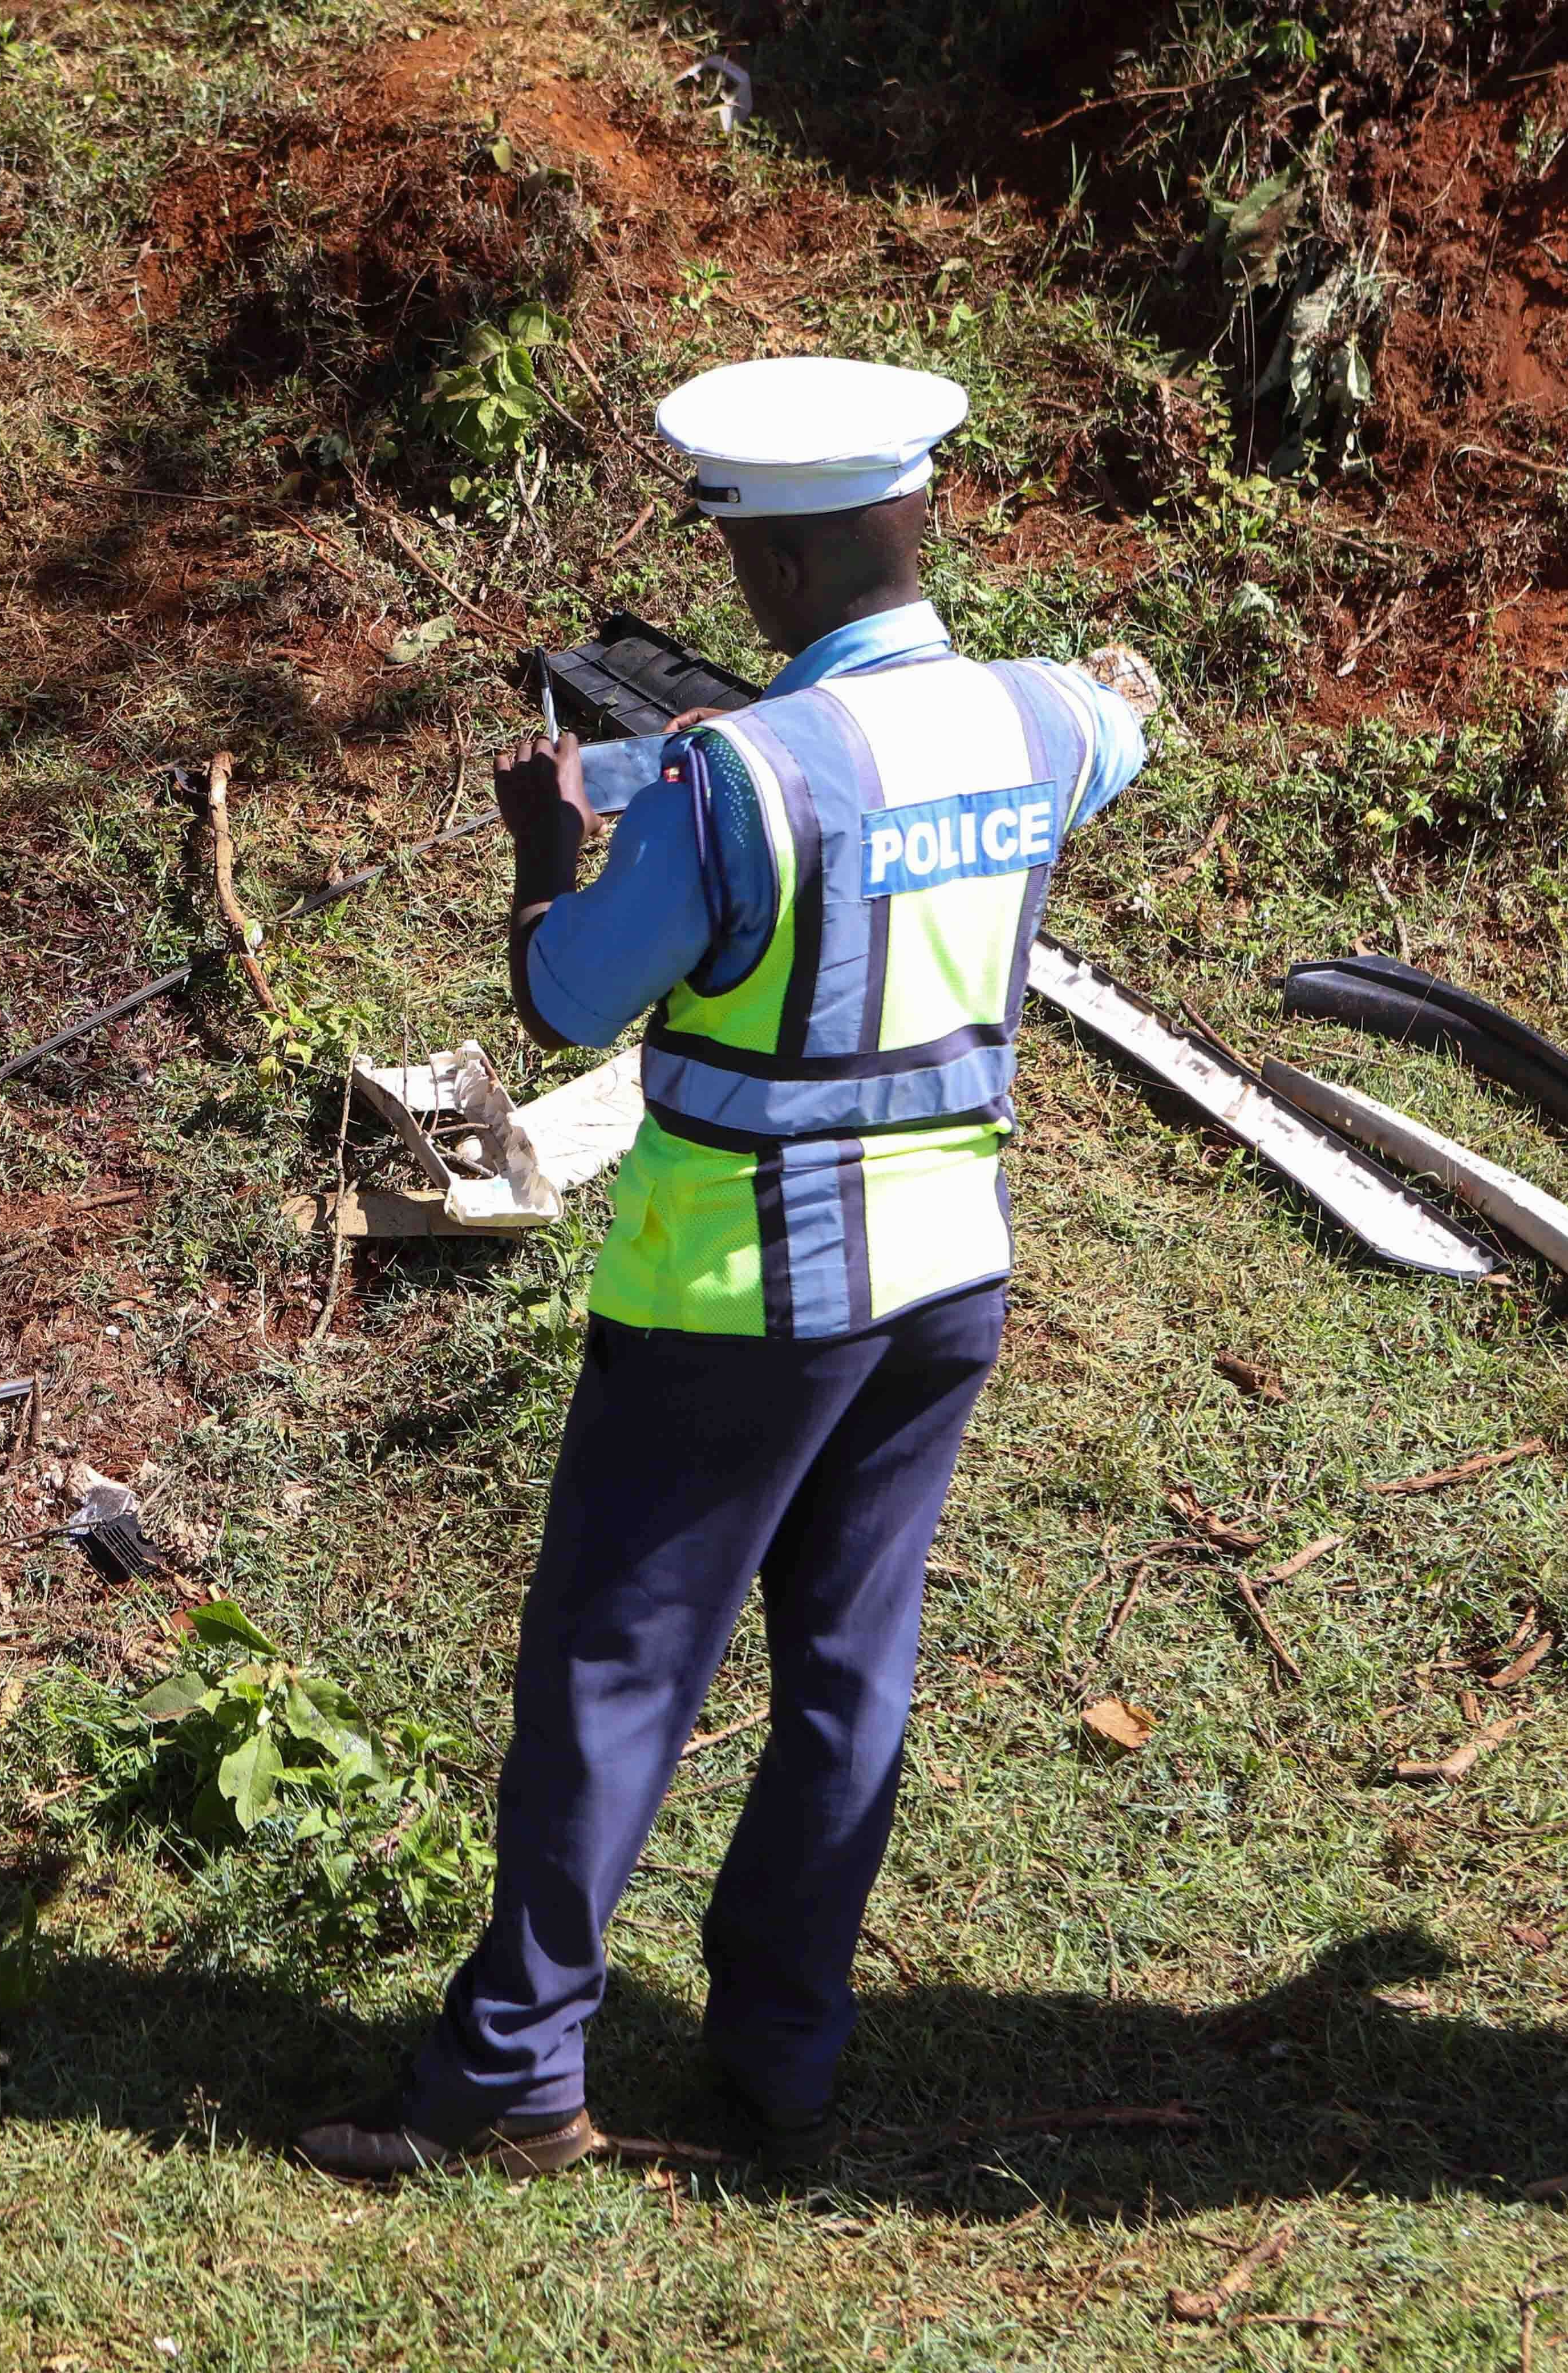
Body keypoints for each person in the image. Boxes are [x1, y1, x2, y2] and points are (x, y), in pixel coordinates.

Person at [296, 357, 1153, 2183]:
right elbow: (1115, 730)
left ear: (764, 570)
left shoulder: (734, 776)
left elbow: (565, 998)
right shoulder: (1042, 727)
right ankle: (782, 2051)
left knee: (616, 1670)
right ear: (916, 528)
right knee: (851, 1664)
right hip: (948, 1272)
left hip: (736, 1291)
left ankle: (515, 2077)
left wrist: (549, 850)